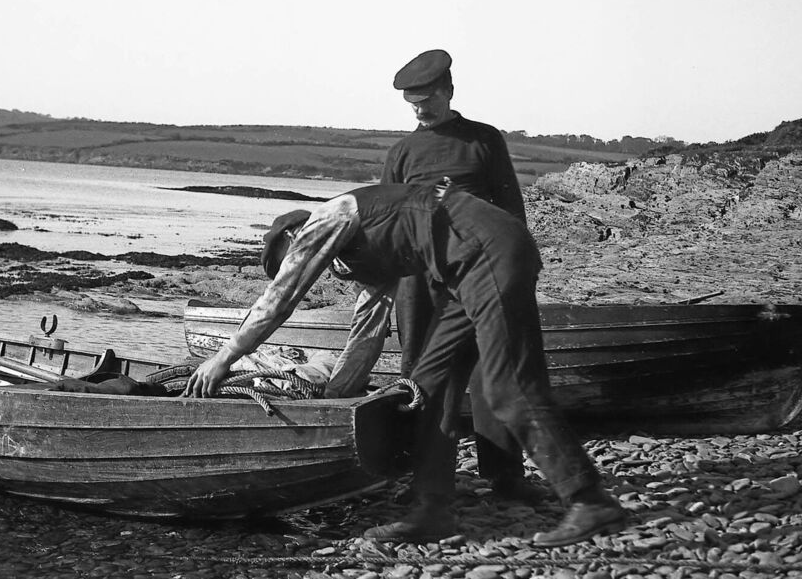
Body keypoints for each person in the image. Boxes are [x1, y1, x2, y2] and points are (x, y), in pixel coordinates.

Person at [182, 183, 627, 546]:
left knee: (507, 388)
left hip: (487, 248)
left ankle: (588, 499)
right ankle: (433, 511)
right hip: (457, 271)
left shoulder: (329, 218)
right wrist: (336, 398)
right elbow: (368, 328)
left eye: (295, 262)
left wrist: (223, 359)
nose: (306, 269)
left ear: (294, 241)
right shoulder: (358, 254)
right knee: (427, 384)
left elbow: (280, 300)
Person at [383, 49, 537, 504]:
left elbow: (512, 212)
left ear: (449, 91)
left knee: (495, 371)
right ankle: (424, 481)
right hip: (419, 278)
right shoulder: (402, 152)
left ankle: (506, 479)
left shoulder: (484, 141)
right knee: (422, 378)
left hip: (480, 271)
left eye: (427, 99)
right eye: (412, 103)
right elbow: (390, 222)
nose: (420, 110)